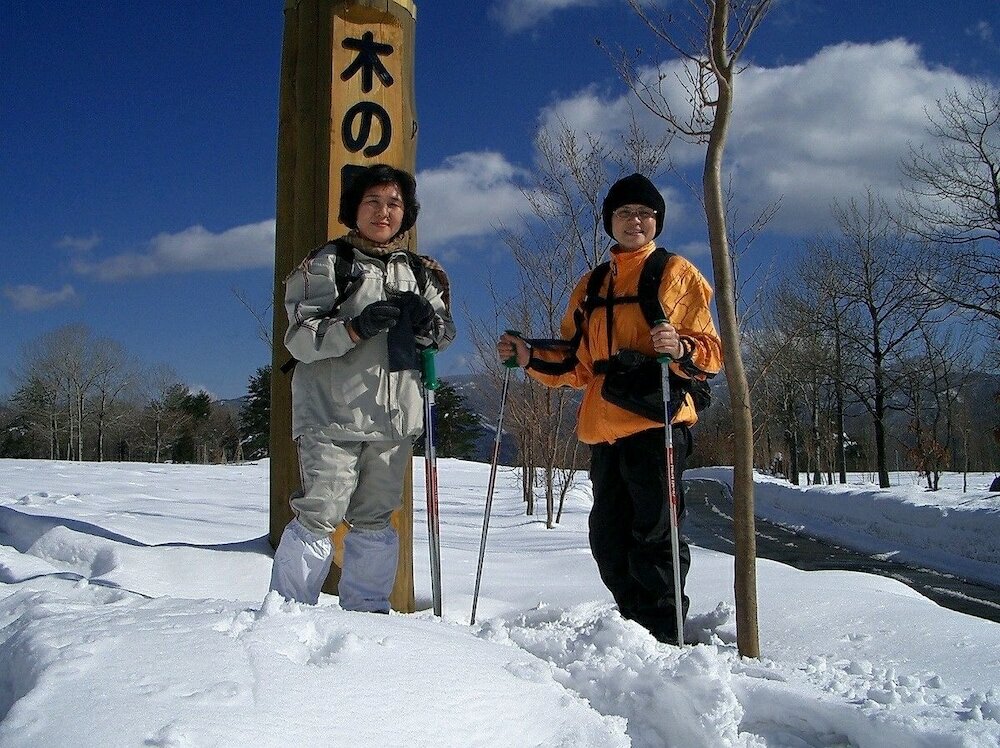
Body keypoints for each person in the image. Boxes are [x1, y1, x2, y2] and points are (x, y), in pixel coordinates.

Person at [497, 173, 722, 644]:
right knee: (608, 537)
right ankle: (632, 626)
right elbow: (577, 364)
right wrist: (528, 355)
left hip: (656, 422)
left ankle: (664, 632)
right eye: (624, 214)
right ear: (609, 222)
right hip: (603, 428)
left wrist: (679, 347)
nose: (634, 221)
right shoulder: (592, 284)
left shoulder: (678, 273)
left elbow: (712, 354)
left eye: (644, 213)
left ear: (657, 220)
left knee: (656, 534)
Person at [270, 164, 455, 612]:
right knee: (320, 512)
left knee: (374, 519)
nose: (384, 212)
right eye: (373, 202)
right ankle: (287, 612)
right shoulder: (327, 263)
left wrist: (429, 327)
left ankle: (367, 614)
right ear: (354, 209)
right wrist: (352, 329)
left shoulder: (422, 272)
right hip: (332, 414)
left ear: (406, 214)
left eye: (394, 204)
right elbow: (298, 337)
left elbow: (443, 334)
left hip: (394, 420)